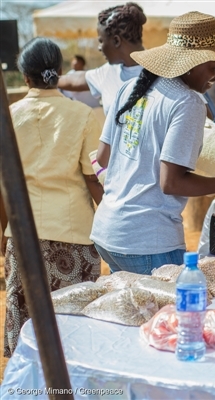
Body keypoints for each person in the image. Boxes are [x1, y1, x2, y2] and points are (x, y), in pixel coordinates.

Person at [90, 11, 215, 274]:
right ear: (190, 63)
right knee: (166, 316)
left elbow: (102, 158)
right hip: (148, 241)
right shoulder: (187, 102)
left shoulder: (131, 88)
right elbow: (171, 183)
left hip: (108, 232)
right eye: (214, 65)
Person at [0, 38, 104, 357]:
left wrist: (3, 235)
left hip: (22, 235)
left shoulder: (8, 117)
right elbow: (93, 179)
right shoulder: (86, 116)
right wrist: (111, 223)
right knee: (73, 333)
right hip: (74, 235)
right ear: (59, 72)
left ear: (26, 77)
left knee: (28, 337)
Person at [57, 2, 146, 115]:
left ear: (116, 41)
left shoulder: (161, 70)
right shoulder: (109, 71)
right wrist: (49, 78)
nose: (99, 48)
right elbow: (77, 79)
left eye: (101, 41)